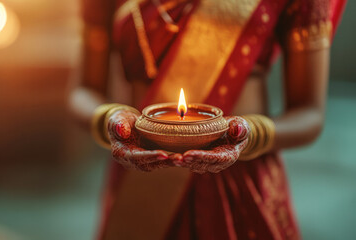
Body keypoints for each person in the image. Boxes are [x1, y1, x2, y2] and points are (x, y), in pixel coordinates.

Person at [69, 0, 346, 239]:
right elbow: (84, 92)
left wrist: (249, 134)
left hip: (242, 182)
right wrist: (112, 120)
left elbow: (310, 113)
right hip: (142, 175)